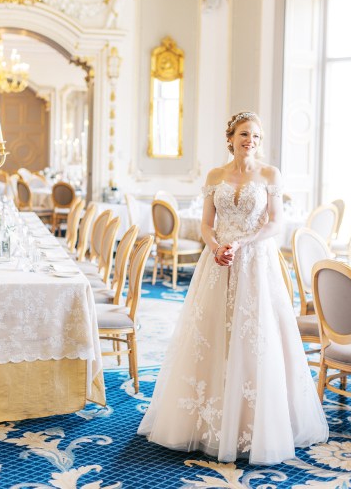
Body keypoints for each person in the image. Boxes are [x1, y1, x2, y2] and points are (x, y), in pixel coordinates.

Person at [138, 111, 328, 465]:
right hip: (219, 262)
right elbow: (206, 225)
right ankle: (205, 419)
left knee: (257, 337)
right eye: (244, 134)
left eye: (255, 136)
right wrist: (215, 246)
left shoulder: (270, 174)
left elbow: (276, 224)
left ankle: (257, 422)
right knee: (212, 334)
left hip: (256, 262)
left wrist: (244, 242)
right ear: (231, 137)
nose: (250, 141)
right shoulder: (215, 175)